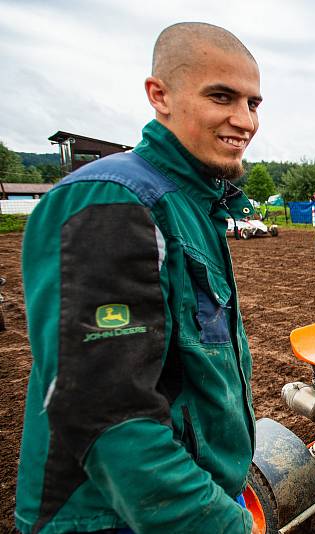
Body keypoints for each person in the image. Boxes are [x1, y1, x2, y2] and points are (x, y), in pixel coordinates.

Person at [16, 23, 261, 534]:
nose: (244, 120)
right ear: (159, 96)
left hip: (192, 497)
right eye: (222, 97)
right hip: (118, 515)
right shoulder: (115, 200)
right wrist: (219, 524)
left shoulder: (194, 204)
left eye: (253, 103)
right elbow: (108, 413)